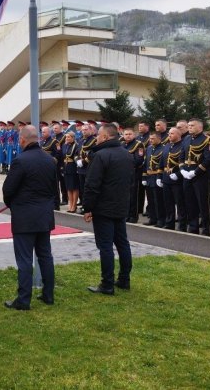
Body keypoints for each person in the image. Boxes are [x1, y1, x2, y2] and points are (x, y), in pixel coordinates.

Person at [2, 124, 57, 310]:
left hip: (25, 216)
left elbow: (8, 189)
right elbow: (54, 190)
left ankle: (23, 300)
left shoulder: (21, 161)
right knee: (45, 256)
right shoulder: (50, 160)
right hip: (44, 215)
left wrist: (12, 204)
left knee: (24, 259)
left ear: (23, 140)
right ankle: (48, 294)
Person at [83, 124, 134, 295]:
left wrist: (88, 207)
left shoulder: (101, 155)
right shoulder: (127, 154)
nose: (96, 137)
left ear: (105, 137)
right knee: (122, 243)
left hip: (104, 208)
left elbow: (92, 185)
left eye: (98, 135)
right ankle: (124, 279)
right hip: (120, 206)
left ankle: (107, 284)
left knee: (105, 246)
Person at [180, 118, 210, 236]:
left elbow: (209, 159)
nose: (189, 127)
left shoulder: (207, 140)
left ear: (200, 127)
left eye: (192, 125)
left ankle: (206, 229)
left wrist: (195, 172)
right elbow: (181, 157)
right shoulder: (186, 139)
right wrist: (182, 170)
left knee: (203, 203)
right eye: (189, 125)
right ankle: (193, 226)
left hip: (200, 176)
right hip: (187, 175)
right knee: (190, 203)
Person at [160, 128, 187, 231]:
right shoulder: (167, 146)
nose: (169, 135)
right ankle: (169, 222)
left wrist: (178, 174)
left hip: (177, 180)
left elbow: (184, 164)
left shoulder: (183, 146)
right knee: (168, 202)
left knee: (180, 203)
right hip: (166, 178)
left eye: (172, 133)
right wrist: (160, 177)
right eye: (169, 133)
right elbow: (162, 163)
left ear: (178, 135)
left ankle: (182, 224)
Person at [122, 128, 145, 223]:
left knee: (133, 195)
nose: (128, 136)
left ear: (134, 135)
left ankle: (133, 216)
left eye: (130, 134)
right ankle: (126, 214)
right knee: (125, 195)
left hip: (134, 173)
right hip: (123, 173)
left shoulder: (138, 145)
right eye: (126, 134)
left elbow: (139, 160)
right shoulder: (122, 145)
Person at [61, 132, 79, 213]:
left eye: (68, 137)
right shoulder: (64, 145)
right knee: (68, 187)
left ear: (73, 138)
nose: (67, 138)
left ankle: (74, 205)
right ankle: (70, 204)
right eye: (66, 137)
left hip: (73, 167)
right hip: (66, 167)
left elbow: (76, 156)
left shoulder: (76, 145)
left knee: (74, 187)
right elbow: (63, 156)